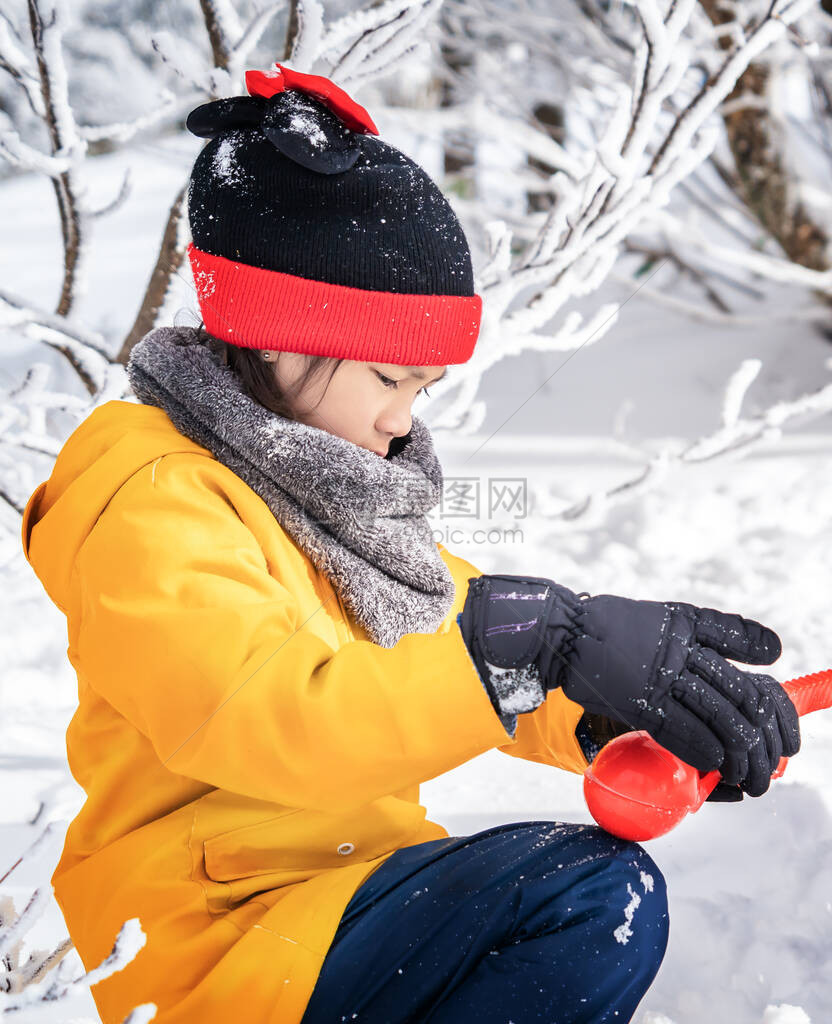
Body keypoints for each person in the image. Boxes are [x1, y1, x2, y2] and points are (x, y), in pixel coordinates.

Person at [20, 64, 800, 1024]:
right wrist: (521, 642)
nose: (403, 419)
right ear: (276, 336)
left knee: (593, 895)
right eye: (392, 377)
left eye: (423, 389)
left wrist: (614, 711)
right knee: (588, 897)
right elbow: (270, 719)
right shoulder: (152, 500)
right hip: (218, 930)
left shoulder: (326, 489)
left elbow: (443, 640)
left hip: (338, 896)